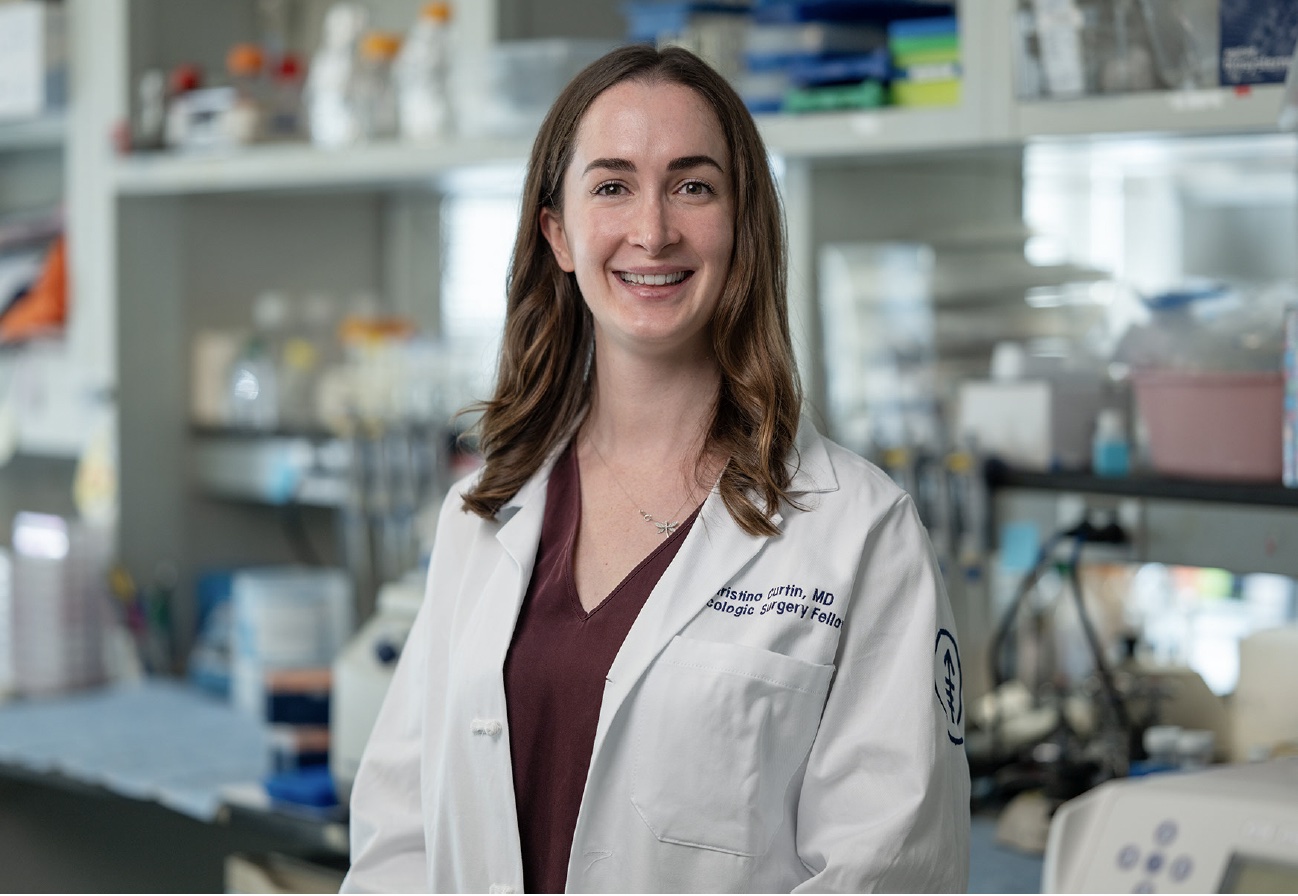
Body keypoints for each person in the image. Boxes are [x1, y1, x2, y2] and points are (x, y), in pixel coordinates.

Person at [341, 44, 970, 894]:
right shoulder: (481, 515)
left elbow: (889, 873)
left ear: (742, 225)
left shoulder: (858, 532)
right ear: (558, 233)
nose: (653, 230)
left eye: (693, 186)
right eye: (612, 186)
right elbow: (400, 834)